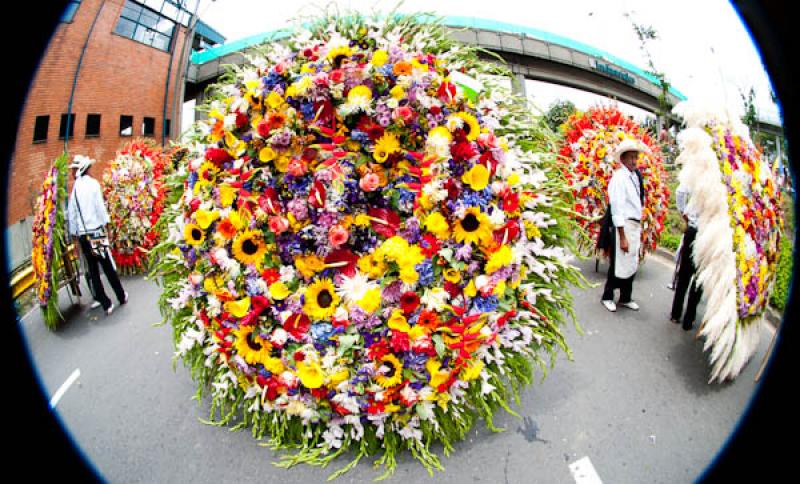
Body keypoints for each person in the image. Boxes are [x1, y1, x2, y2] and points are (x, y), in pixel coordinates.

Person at [67, 155, 127, 315]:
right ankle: (121, 296)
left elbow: (72, 215)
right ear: (87, 168)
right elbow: (100, 208)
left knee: (93, 270)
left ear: (78, 170)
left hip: (83, 236)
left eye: (73, 169)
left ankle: (106, 303)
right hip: (96, 234)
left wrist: (74, 236)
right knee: (107, 266)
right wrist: (106, 227)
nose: (72, 172)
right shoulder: (93, 185)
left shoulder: (74, 190)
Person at [601, 139, 648, 312]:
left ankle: (625, 297)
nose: (634, 161)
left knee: (631, 263)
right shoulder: (619, 178)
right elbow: (617, 209)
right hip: (624, 226)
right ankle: (607, 296)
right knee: (619, 263)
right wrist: (622, 236)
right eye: (631, 157)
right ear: (622, 159)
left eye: (636, 157)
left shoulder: (635, 176)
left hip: (634, 225)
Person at [670, 180, 702, 330]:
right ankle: (688, 319)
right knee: (698, 278)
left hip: (695, 230)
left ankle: (676, 314)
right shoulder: (722, 178)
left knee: (686, 275)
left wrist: (685, 213)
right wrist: (685, 214)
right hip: (705, 234)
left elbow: (680, 191)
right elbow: (680, 192)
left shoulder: (700, 174)